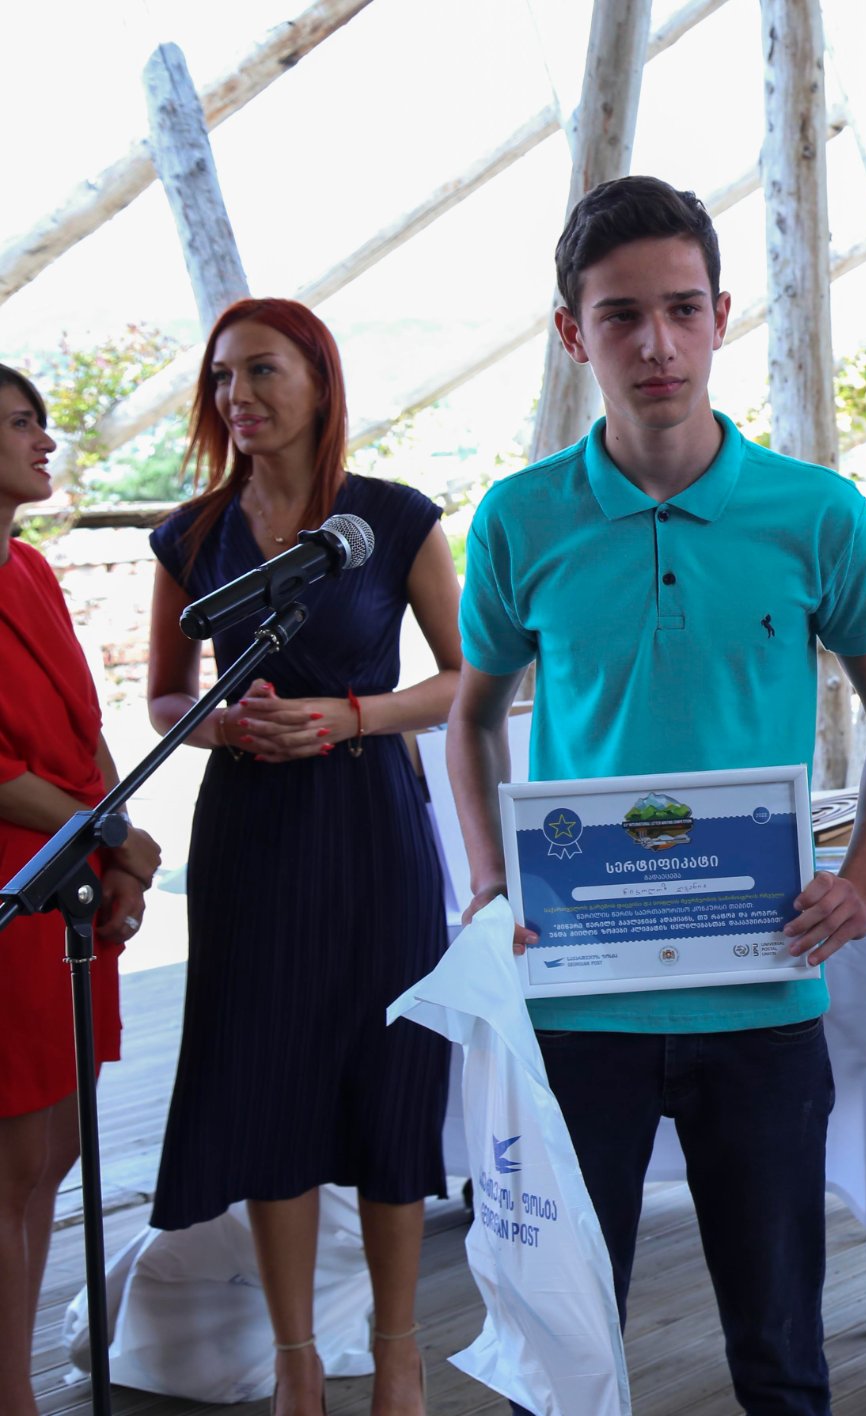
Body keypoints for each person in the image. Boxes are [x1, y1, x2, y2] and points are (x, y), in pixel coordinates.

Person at [447, 176, 866, 1415]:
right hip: (579, 995)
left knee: (781, 1355)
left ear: (721, 316)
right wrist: (493, 879)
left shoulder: (815, 515)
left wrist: (863, 879)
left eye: (679, 309)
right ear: (574, 333)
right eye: (620, 315)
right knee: (566, 1348)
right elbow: (471, 715)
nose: (654, 343)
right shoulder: (518, 520)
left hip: (761, 990)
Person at [144, 300, 462, 1416]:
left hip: (374, 822)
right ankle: (295, 1363)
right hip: (253, 833)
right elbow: (166, 697)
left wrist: (352, 714)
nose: (238, 396)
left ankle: (397, 1353)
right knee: (267, 1083)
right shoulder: (193, 536)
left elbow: (468, 677)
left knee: (389, 1081)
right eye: (222, 377)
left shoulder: (394, 518)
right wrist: (220, 727)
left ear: (320, 381)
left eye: (262, 371)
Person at [0, 364, 162, 1416]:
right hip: (15, 883)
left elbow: (87, 725)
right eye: (21, 423)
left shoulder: (30, 569)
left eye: (42, 422)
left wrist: (121, 846)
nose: (44, 441)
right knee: (12, 1161)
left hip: (73, 875)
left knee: (54, 1153)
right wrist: (100, 833)